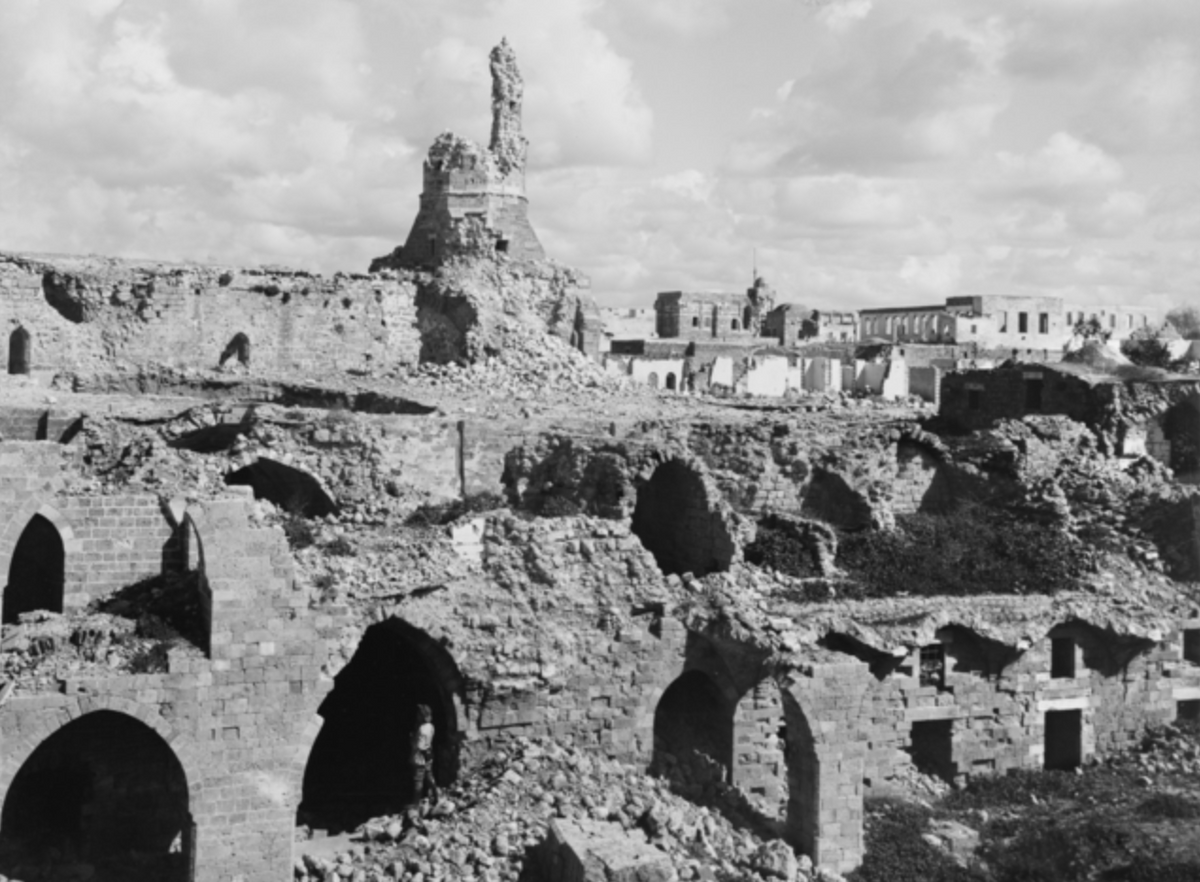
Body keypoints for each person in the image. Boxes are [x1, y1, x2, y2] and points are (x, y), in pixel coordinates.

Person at [411, 704, 438, 809]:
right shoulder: (431, 726)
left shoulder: (422, 729)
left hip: (420, 756)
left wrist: (413, 740)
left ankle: (416, 803)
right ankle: (436, 795)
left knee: (418, 779)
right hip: (429, 754)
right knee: (429, 776)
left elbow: (419, 746)